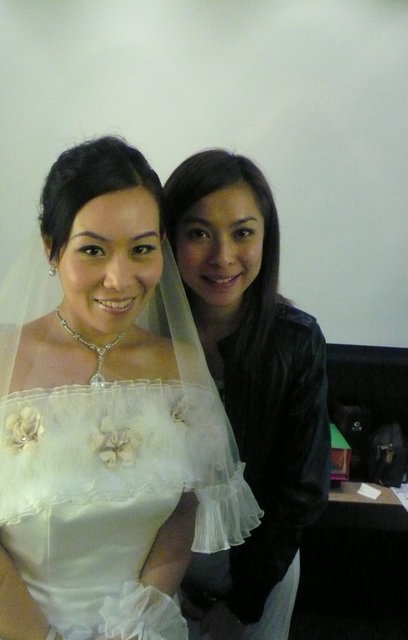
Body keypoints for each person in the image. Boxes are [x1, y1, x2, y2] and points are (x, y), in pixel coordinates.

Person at [0, 137, 262, 640]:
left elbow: (183, 511)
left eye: (142, 249)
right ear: (51, 248)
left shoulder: (180, 366)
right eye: (92, 250)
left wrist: (137, 621)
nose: (119, 279)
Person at [163, 149, 331, 640]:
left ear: (266, 239)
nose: (222, 256)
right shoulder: (145, 335)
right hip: (158, 572)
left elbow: (301, 492)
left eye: (242, 233)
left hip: (260, 573)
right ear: (169, 237)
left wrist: (243, 605)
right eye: (199, 233)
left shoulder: (296, 342)